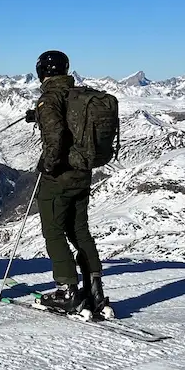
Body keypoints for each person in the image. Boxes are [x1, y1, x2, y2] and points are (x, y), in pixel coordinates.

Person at [29, 50, 111, 318]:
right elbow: (69, 125)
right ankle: (94, 292)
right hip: (83, 174)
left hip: (60, 176)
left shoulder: (49, 98)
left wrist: (47, 165)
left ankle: (67, 291)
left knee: (54, 232)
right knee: (80, 231)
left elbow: (57, 136)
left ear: (42, 72)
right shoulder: (78, 96)